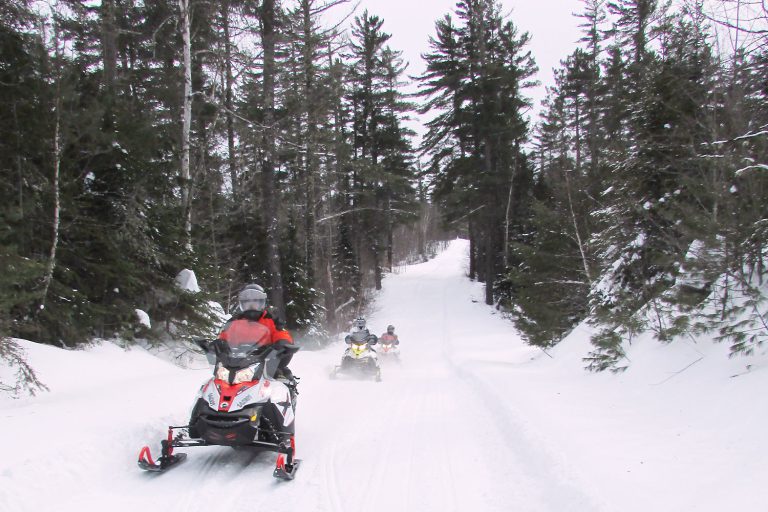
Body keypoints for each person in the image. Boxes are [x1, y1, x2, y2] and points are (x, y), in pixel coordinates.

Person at [217, 284, 297, 383]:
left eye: (255, 302)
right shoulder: (234, 322)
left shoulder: (271, 320)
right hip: (236, 364)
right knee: (215, 383)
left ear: (261, 303)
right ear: (242, 303)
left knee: (282, 380)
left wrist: (283, 343)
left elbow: (281, 333)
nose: (251, 305)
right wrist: (216, 345)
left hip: (265, 364)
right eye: (247, 302)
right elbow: (223, 337)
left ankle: (286, 395)